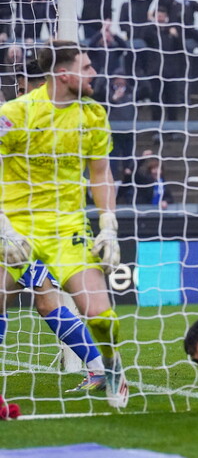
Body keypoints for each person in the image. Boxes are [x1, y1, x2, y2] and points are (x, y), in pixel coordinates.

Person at [0, 40, 127, 406]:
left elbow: (101, 173)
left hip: (67, 227)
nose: (94, 74)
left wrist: (108, 225)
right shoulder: (17, 112)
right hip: (18, 227)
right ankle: (95, 365)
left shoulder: (93, 115)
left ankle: (109, 364)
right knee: (28, 299)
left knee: (100, 313)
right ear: (63, 73)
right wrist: (4, 225)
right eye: (86, 68)